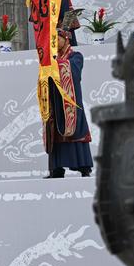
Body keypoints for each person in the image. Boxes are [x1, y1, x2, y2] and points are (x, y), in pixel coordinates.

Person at [46, 12, 93, 178]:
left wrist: (55, 65)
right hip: (57, 102)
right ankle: (56, 168)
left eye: (58, 39)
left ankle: (83, 167)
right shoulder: (54, 58)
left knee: (76, 130)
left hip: (71, 102)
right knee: (56, 131)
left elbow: (73, 72)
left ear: (66, 39)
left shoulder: (76, 56)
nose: (55, 42)